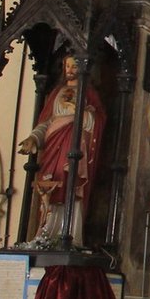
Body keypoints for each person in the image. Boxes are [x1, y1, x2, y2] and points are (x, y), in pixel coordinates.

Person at [19, 53, 106, 244]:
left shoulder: (89, 94)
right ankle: (45, 233)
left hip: (74, 146)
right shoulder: (56, 93)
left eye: (74, 66)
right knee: (49, 186)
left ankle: (69, 235)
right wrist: (33, 138)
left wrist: (79, 115)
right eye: (67, 66)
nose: (70, 70)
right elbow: (46, 122)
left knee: (70, 186)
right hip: (53, 147)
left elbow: (97, 121)